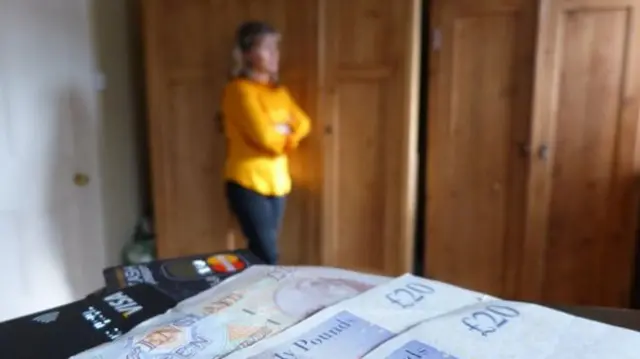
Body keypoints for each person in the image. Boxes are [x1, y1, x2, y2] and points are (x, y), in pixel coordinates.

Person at [221, 21, 311, 265]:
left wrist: (283, 133)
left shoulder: (278, 93)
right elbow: (266, 140)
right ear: (249, 54)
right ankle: (255, 299)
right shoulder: (239, 91)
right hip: (247, 183)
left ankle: (249, 297)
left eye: (276, 48)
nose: (275, 55)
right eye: (267, 48)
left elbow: (304, 123)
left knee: (263, 252)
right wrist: (284, 130)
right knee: (267, 254)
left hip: (278, 184)